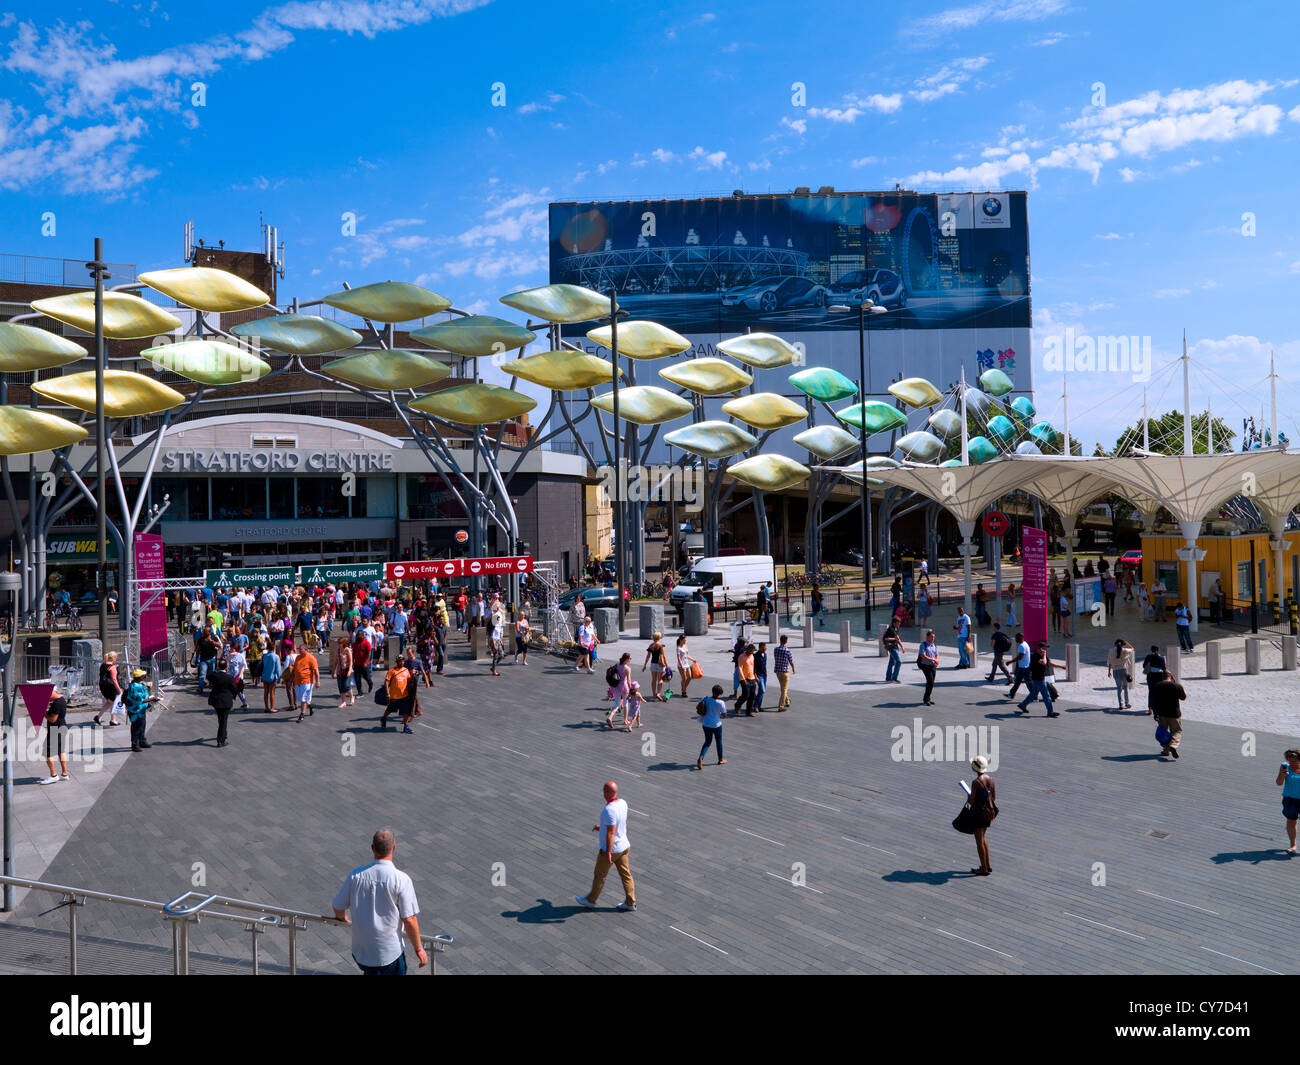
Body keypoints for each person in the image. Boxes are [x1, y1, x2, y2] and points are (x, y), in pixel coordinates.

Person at [332, 829, 428, 975]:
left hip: (362, 952)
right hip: (389, 953)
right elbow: (409, 919)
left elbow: (338, 905)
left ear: (372, 848)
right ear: (394, 848)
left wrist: (341, 917)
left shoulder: (356, 875)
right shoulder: (401, 880)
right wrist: (419, 949)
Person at [575, 781, 636, 912]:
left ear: (608, 793)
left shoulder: (609, 810)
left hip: (612, 849)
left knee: (599, 875)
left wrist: (608, 852)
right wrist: (601, 827)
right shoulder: (623, 803)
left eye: (604, 791)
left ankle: (591, 900)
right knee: (626, 875)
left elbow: (611, 833)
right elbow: (615, 824)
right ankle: (631, 903)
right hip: (624, 846)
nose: (602, 793)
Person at [967, 755, 998, 876]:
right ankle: (987, 865)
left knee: (979, 841)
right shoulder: (991, 779)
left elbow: (971, 801)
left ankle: (983, 869)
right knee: (983, 838)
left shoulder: (976, 782)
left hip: (978, 814)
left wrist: (969, 794)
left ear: (975, 769)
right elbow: (993, 798)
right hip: (987, 814)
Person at [1016, 642, 1061, 717]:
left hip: (1038, 678)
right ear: (1039, 649)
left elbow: (1049, 663)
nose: (1045, 650)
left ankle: (1023, 705)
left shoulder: (1042, 655)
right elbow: (1043, 663)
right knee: (1046, 696)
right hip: (1038, 678)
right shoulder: (1035, 656)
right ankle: (1050, 712)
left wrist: (1061, 666)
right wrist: (1044, 655)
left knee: (1033, 694)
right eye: (1044, 648)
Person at [1149, 669, 1186, 758]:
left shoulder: (1157, 686)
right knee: (1177, 731)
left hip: (1162, 714)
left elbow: (1153, 701)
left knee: (1163, 733)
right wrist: (1175, 683)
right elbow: (1183, 697)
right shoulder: (1177, 686)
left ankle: (1166, 750)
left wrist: (1155, 714)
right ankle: (1173, 746)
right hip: (1174, 714)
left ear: (1162, 677)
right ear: (1171, 677)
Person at [37, 692, 70, 784]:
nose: (48, 700)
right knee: (61, 751)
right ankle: (64, 774)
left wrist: (43, 712)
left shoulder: (56, 704)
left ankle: (53, 775)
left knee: (47, 753)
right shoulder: (62, 699)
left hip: (55, 731)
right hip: (62, 728)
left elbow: (52, 719)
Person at [380, 654, 417, 732]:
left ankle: (406, 726)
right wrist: (387, 693)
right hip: (394, 696)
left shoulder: (406, 670)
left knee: (405, 711)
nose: (402, 662)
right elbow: (386, 682)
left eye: (403, 661)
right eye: (400, 661)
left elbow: (410, 682)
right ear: (397, 662)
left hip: (404, 696)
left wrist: (414, 675)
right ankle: (384, 718)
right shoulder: (392, 670)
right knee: (389, 710)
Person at [695, 684, 727, 769]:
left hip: (706, 724)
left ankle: (701, 757)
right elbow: (724, 715)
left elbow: (699, 707)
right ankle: (720, 759)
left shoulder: (705, 698)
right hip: (716, 725)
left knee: (707, 742)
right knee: (718, 741)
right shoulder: (721, 703)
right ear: (720, 693)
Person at [1274, 749, 1300, 854]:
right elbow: (1279, 783)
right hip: (1290, 800)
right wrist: (1282, 775)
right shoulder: (1285, 766)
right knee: (1291, 821)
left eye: (1294, 761)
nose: (1291, 763)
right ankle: (1293, 844)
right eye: (1290, 761)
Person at [123, 668, 153, 752]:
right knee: (136, 727)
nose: (145, 676)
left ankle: (142, 741)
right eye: (143, 676)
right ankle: (135, 744)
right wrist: (152, 699)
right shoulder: (134, 687)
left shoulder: (139, 683)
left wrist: (148, 689)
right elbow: (139, 700)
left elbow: (145, 692)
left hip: (141, 710)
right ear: (140, 677)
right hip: (135, 711)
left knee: (142, 726)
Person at [208, 665, 238, 747]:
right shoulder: (229, 677)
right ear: (227, 668)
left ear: (218, 668)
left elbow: (208, 675)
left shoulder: (214, 676)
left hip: (216, 700)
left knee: (220, 718)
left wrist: (216, 670)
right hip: (226, 700)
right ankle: (220, 740)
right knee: (224, 721)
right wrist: (234, 696)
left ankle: (224, 734)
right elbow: (234, 688)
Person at [292, 643, 320, 722]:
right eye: (299, 650)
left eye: (301, 650)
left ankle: (302, 714)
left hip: (307, 681)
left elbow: (316, 670)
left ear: (306, 650)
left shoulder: (311, 658)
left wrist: (318, 681)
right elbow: (294, 668)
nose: (300, 651)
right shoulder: (298, 657)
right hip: (298, 681)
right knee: (300, 697)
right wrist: (291, 679)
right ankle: (311, 706)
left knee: (303, 698)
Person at [94, 651, 123, 727]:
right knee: (114, 702)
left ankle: (99, 717)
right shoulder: (112, 667)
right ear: (113, 658)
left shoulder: (103, 665)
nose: (116, 659)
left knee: (110, 702)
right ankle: (113, 720)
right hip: (111, 687)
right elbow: (114, 679)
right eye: (116, 658)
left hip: (103, 686)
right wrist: (119, 689)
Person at [1106, 638, 1135, 710]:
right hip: (1123, 670)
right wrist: (1126, 642)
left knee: (1119, 688)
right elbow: (1132, 648)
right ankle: (1127, 703)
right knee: (1125, 687)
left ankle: (1120, 705)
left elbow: (1109, 662)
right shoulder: (1124, 650)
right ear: (1122, 644)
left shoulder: (1111, 651)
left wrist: (1109, 672)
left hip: (1115, 671)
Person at [606, 653, 632, 728]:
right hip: (624, 687)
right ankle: (625, 720)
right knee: (626, 703)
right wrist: (631, 690)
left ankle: (610, 717)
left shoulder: (617, 665)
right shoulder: (627, 669)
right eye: (630, 658)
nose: (630, 660)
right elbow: (629, 681)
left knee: (617, 703)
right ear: (627, 659)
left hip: (616, 686)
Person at [642, 632, 668, 701]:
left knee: (653, 680)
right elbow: (664, 656)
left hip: (653, 664)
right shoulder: (661, 646)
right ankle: (658, 693)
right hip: (660, 664)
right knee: (660, 680)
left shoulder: (651, 645)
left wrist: (644, 665)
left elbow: (648, 656)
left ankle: (654, 694)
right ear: (659, 638)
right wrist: (667, 665)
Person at [1006, 632, 1032, 700]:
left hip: (1024, 667)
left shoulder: (1022, 646)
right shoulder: (1025, 644)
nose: (1016, 639)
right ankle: (1011, 694)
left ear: (1021, 637)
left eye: (1017, 637)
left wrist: (1010, 662)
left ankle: (1034, 696)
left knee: (1028, 683)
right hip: (1023, 667)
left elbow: (1020, 657)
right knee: (1017, 681)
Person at [1141, 645, 1167, 712]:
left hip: (1150, 675)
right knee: (1159, 692)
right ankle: (1159, 707)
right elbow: (1164, 668)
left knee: (1151, 692)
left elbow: (1144, 666)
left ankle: (1150, 709)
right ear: (1158, 650)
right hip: (1159, 675)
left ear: (1151, 650)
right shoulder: (1161, 658)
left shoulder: (1148, 656)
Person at [735, 643, 759, 716]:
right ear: (747, 649)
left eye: (753, 651)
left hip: (752, 678)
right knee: (746, 695)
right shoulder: (741, 656)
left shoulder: (752, 656)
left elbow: (753, 667)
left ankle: (748, 712)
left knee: (752, 696)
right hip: (745, 679)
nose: (752, 652)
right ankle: (737, 705)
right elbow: (740, 668)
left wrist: (755, 677)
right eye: (751, 651)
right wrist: (743, 679)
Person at [773, 634, 795, 710]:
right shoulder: (788, 651)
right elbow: (791, 661)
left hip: (777, 671)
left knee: (783, 688)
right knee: (784, 689)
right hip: (785, 671)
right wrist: (793, 669)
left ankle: (787, 701)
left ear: (780, 640)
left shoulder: (775, 649)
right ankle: (781, 707)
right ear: (786, 641)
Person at [917, 630, 938, 706]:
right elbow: (922, 655)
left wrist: (936, 660)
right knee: (930, 681)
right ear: (927, 637)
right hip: (925, 665)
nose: (933, 638)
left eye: (934, 637)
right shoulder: (923, 645)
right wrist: (933, 659)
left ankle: (928, 698)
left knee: (931, 683)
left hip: (932, 665)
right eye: (931, 637)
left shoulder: (934, 645)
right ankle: (926, 699)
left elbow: (937, 654)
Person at [261, 641, 283, 712]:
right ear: (274, 647)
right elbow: (278, 669)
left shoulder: (264, 656)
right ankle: (272, 707)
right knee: (272, 692)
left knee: (265, 692)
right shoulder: (276, 656)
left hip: (265, 675)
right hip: (272, 676)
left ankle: (266, 707)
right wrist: (279, 676)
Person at [334, 636, 355, 709]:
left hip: (347, 669)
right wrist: (333, 670)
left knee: (346, 685)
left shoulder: (347, 650)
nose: (339, 644)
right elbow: (336, 661)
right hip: (340, 670)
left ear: (343, 643)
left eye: (340, 643)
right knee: (341, 686)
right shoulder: (338, 651)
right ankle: (343, 702)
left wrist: (349, 670)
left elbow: (351, 661)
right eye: (338, 643)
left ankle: (352, 697)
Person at [676, 634, 697, 699]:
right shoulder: (678, 648)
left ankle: (683, 688)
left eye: (685, 640)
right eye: (684, 640)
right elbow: (678, 658)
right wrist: (681, 665)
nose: (685, 641)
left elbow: (686, 656)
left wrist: (693, 659)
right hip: (681, 665)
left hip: (687, 664)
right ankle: (684, 691)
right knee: (684, 678)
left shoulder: (685, 646)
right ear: (681, 640)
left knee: (690, 677)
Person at [488, 606, 505, 677]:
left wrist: (501, 639)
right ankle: (494, 670)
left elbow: (499, 632)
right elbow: (492, 634)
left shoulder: (499, 623)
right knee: (495, 655)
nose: (499, 620)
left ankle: (493, 667)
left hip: (497, 639)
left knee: (501, 655)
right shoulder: (493, 624)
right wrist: (494, 644)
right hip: (493, 640)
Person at [753, 641, 768, 711]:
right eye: (763, 648)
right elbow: (754, 668)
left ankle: (759, 706)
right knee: (762, 690)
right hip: (759, 675)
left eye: (765, 648)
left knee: (761, 691)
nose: (765, 649)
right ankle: (756, 705)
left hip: (764, 675)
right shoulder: (755, 656)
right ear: (759, 648)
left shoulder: (765, 654)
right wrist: (755, 676)